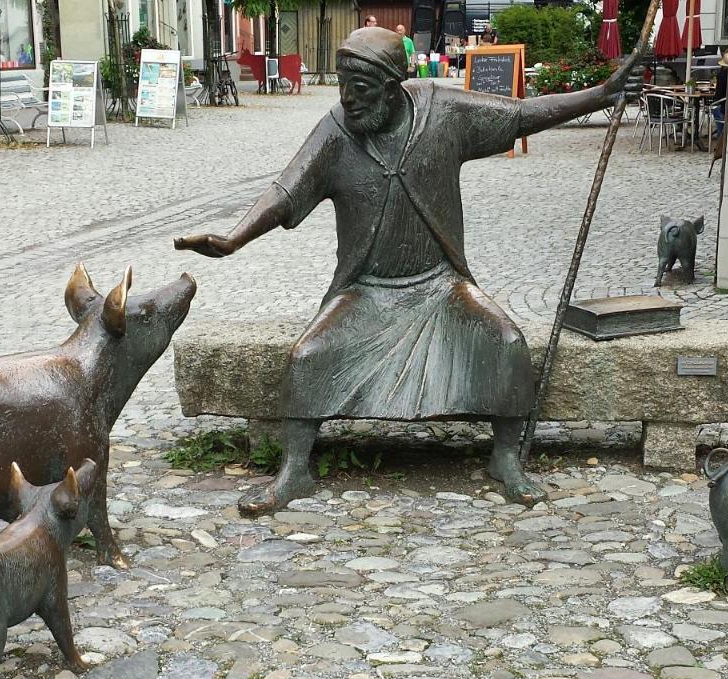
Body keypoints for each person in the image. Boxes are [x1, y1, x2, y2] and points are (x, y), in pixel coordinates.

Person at [175, 27, 638, 515]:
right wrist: (235, 237)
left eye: (362, 88)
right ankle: (295, 470)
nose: (348, 100)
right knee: (308, 355)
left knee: (505, 342)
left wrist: (600, 96)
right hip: (365, 293)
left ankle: (505, 460)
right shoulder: (336, 131)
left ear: (394, 84)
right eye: (341, 85)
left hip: (441, 289)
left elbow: (520, 115)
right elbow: (287, 190)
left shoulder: (444, 114)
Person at [712, 49, 728, 137]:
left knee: (715, 108)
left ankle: (720, 137)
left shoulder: (721, 75)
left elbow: (718, 96)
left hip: (723, 107)